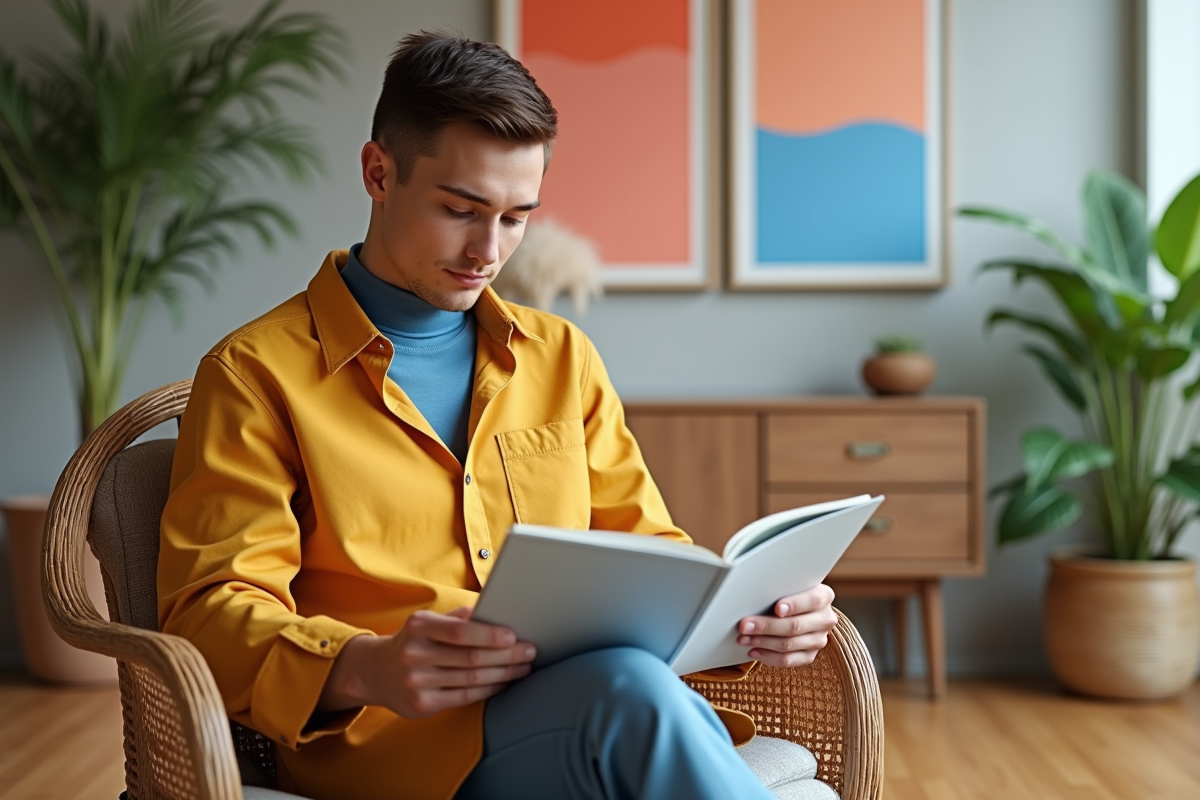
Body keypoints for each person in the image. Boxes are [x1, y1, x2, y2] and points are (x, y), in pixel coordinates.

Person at [158, 32, 839, 800]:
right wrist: (366, 664)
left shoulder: (562, 357)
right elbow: (209, 614)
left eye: (517, 217)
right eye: (461, 209)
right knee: (629, 696)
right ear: (379, 173)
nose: (488, 249)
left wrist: (752, 617)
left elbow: (648, 553)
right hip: (395, 748)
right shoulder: (255, 374)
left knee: (630, 691)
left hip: (593, 709)